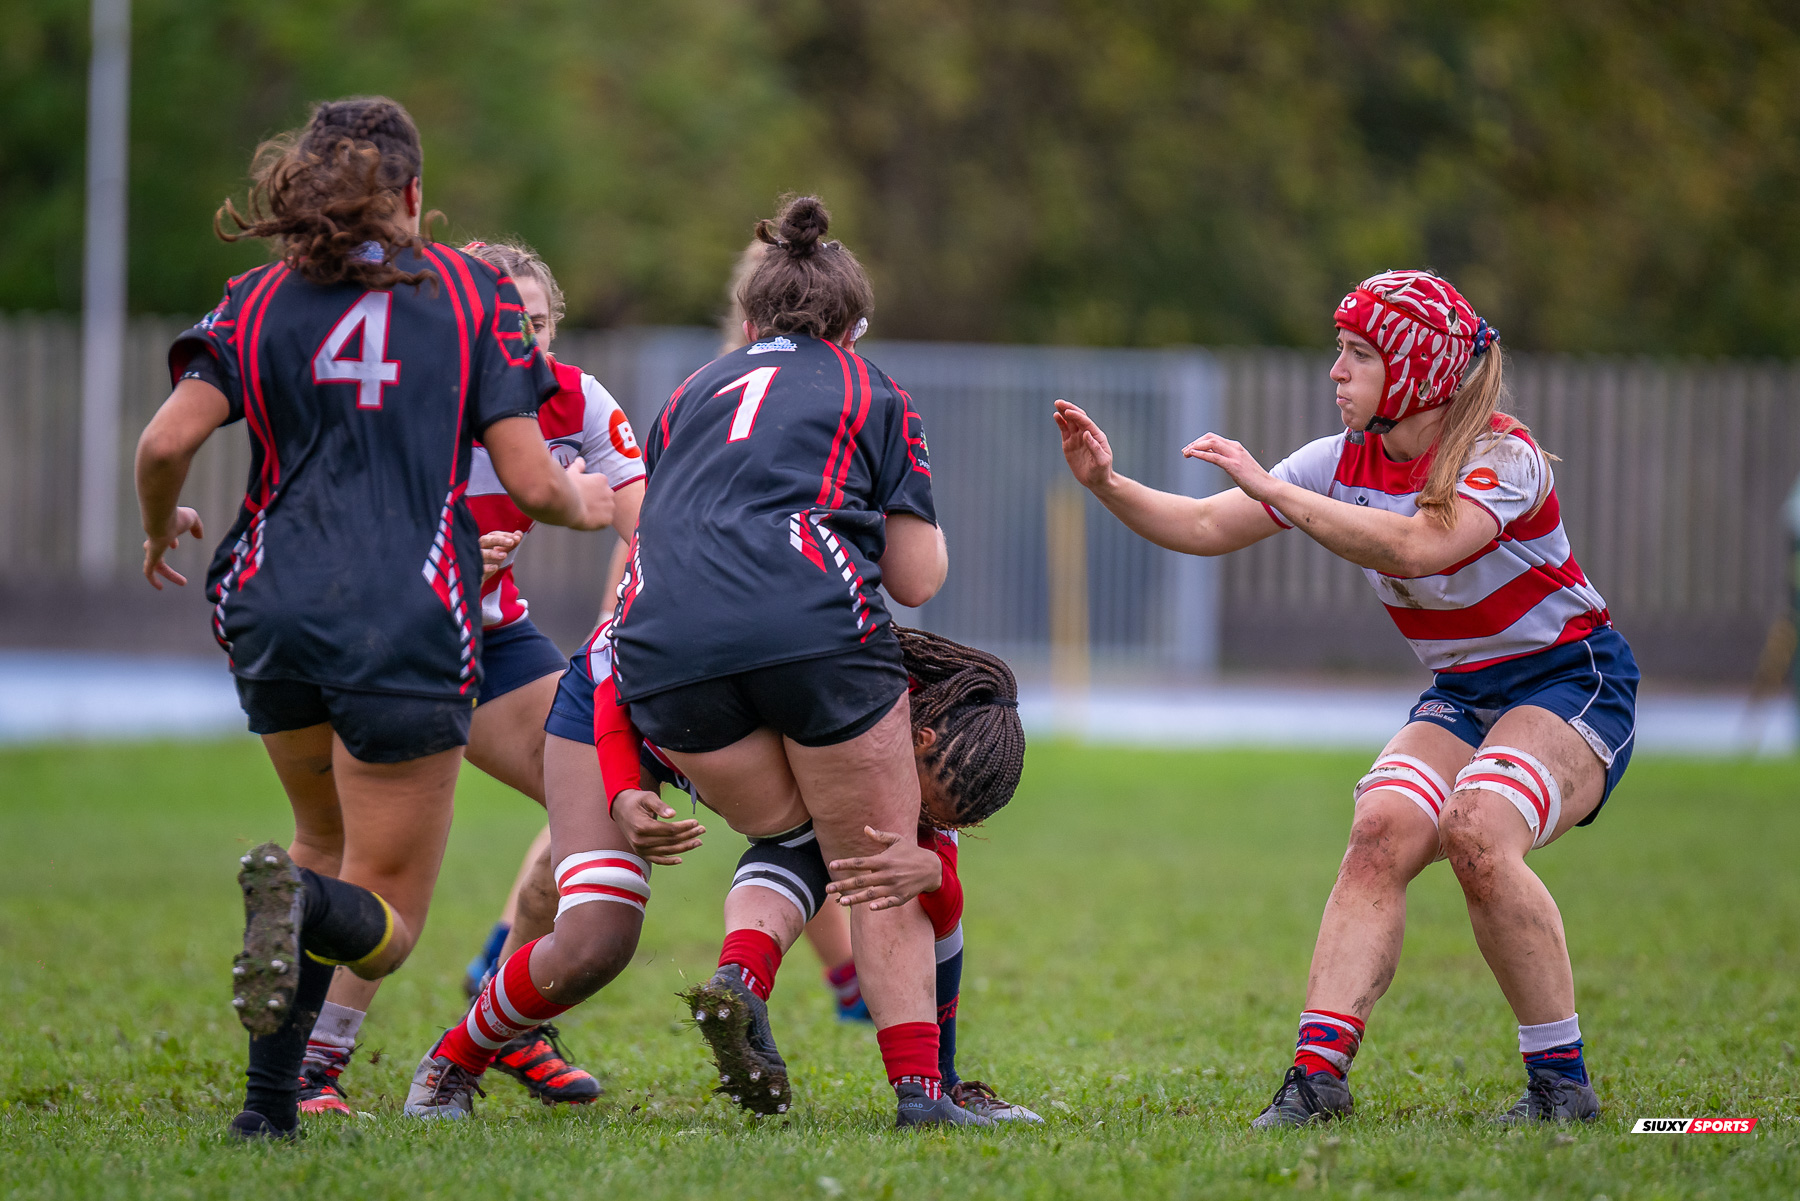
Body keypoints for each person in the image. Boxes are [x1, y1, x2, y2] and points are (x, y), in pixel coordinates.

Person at [133, 96, 614, 1141]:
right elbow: (533, 483)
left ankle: (266, 1114)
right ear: (410, 192)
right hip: (404, 617)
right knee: (384, 927)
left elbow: (166, 443)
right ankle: (307, 918)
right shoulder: (470, 295)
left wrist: (159, 522)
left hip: (266, 605)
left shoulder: (256, 298)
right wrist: (588, 500)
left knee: (317, 837)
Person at [1056, 269, 1636, 1127]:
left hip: (1571, 679)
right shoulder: (1338, 462)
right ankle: (1317, 1079)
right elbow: (1208, 526)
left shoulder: (1501, 458)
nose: (1337, 370)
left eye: (1359, 353)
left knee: (1477, 828)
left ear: (1417, 372)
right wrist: (1106, 482)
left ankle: (1562, 1084)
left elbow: (1416, 547)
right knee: (1379, 831)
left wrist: (1275, 488)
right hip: (1466, 690)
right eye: (1340, 351)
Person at [294, 240, 645, 1115]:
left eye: (534, 323)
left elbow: (649, 524)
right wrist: (454, 557)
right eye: (500, 321)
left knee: (599, 812)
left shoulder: (577, 400)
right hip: (394, 640)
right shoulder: (417, 394)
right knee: (383, 861)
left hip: (493, 638)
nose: (518, 340)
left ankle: (506, 1013)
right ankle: (311, 1067)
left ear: (554, 327)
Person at [662, 626, 1040, 1122]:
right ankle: (933, 1088)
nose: (931, 823)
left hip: (679, 694)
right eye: (934, 810)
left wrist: (625, 784)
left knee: (799, 843)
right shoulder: (884, 696)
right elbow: (944, 921)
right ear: (922, 740)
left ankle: (742, 977)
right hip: (758, 694)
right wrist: (933, 874)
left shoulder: (911, 705)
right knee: (887, 875)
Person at [717, 235, 870, 1023]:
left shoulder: (695, 393)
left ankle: (479, 1016)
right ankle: (924, 1079)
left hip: (664, 653)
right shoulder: (862, 389)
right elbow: (916, 572)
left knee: (594, 861)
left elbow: (646, 543)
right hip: (803, 632)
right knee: (882, 835)